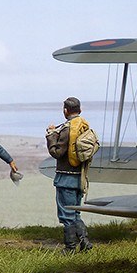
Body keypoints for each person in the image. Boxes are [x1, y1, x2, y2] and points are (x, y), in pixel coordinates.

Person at [46, 97, 93, 254]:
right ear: (80, 110)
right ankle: (85, 242)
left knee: (67, 214)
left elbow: (57, 152)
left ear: (66, 110)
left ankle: (70, 248)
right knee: (75, 212)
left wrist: (51, 136)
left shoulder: (66, 130)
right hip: (79, 177)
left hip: (65, 179)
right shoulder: (84, 127)